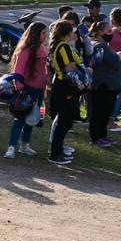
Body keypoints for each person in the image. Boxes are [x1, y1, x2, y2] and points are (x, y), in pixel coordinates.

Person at [5, 21, 47, 159]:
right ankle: (11, 147)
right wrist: (20, 89)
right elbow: (19, 71)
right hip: (26, 90)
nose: (45, 36)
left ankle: (25, 145)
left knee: (33, 119)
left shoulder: (43, 49)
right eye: (43, 33)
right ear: (36, 34)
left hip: (39, 90)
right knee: (20, 119)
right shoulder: (25, 51)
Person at [48, 20, 82, 165]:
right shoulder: (64, 47)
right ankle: (55, 154)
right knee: (64, 121)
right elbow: (71, 67)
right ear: (68, 33)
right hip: (65, 86)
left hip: (64, 85)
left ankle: (59, 149)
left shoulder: (63, 45)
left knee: (66, 120)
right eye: (73, 31)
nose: (75, 33)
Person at [89, 21, 121, 147]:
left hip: (106, 85)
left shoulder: (103, 45)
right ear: (100, 32)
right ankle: (96, 137)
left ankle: (102, 136)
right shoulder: (100, 46)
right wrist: (119, 55)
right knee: (99, 112)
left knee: (104, 112)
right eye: (109, 31)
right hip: (102, 85)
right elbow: (114, 62)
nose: (111, 34)